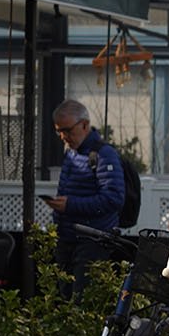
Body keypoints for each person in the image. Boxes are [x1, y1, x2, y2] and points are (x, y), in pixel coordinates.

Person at [46, 99, 125, 296]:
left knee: (82, 298)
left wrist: (70, 205)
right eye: (59, 131)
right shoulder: (71, 154)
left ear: (84, 125)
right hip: (68, 238)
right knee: (63, 298)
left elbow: (114, 199)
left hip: (93, 241)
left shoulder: (104, 155)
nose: (64, 137)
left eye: (68, 130)